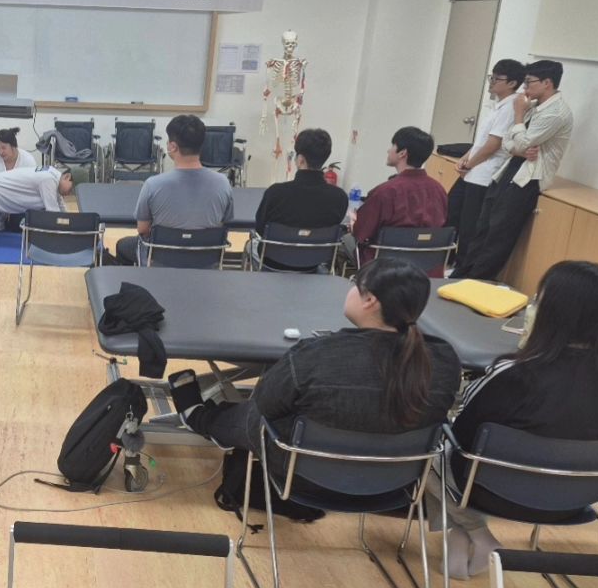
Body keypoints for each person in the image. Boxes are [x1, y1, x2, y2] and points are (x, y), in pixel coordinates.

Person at [169, 258, 461, 519]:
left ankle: (200, 417)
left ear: (370, 300)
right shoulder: (445, 361)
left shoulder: (317, 354)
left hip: (302, 478)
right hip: (395, 484)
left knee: (256, 416)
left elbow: (266, 405)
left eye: (354, 283)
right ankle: (208, 417)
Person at [442, 260, 598, 577]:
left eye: (538, 299)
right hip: (580, 498)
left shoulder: (513, 372)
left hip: (498, 495)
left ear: (550, 313)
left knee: (433, 445)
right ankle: (462, 536)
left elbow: (464, 436)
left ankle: (473, 532)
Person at [451, 60, 574, 283]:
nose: (524, 88)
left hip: (528, 178)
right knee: (483, 227)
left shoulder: (556, 113)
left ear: (547, 83)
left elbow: (519, 143)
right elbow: (509, 144)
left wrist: (518, 118)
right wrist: (520, 146)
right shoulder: (532, 106)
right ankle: (460, 277)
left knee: (498, 236)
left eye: (529, 82)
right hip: (508, 170)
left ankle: (476, 282)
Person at [114, 114, 234, 265]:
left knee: (123, 246)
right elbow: (224, 223)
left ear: (172, 147)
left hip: (160, 260)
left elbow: (142, 229)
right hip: (206, 260)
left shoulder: (153, 185)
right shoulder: (223, 183)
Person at [446, 60, 525, 262]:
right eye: (492, 77)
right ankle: (447, 259)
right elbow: (481, 141)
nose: (492, 82)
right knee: (451, 212)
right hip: (472, 171)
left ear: (512, 83)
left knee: (469, 226)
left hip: (483, 175)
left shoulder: (510, 108)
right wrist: (464, 159)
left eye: (497, 79)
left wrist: (469, 165)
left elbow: (493, 144)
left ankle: (461, 267)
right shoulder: (498, 105)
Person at [349, 125, 450, 273]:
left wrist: (353, 221)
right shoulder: (439, 190)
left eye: (393, 145)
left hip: (385, 268)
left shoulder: (384, 192)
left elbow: (361, 233)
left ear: (402, 153)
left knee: (348, 240)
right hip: (427, 268)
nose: (388, 150)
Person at [250, 126, 349, 271]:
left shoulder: (275, 193)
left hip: (272, 262)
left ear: (300, 159)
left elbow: (260, 228)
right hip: (314, 263)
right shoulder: (340, 198)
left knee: (250, 244)